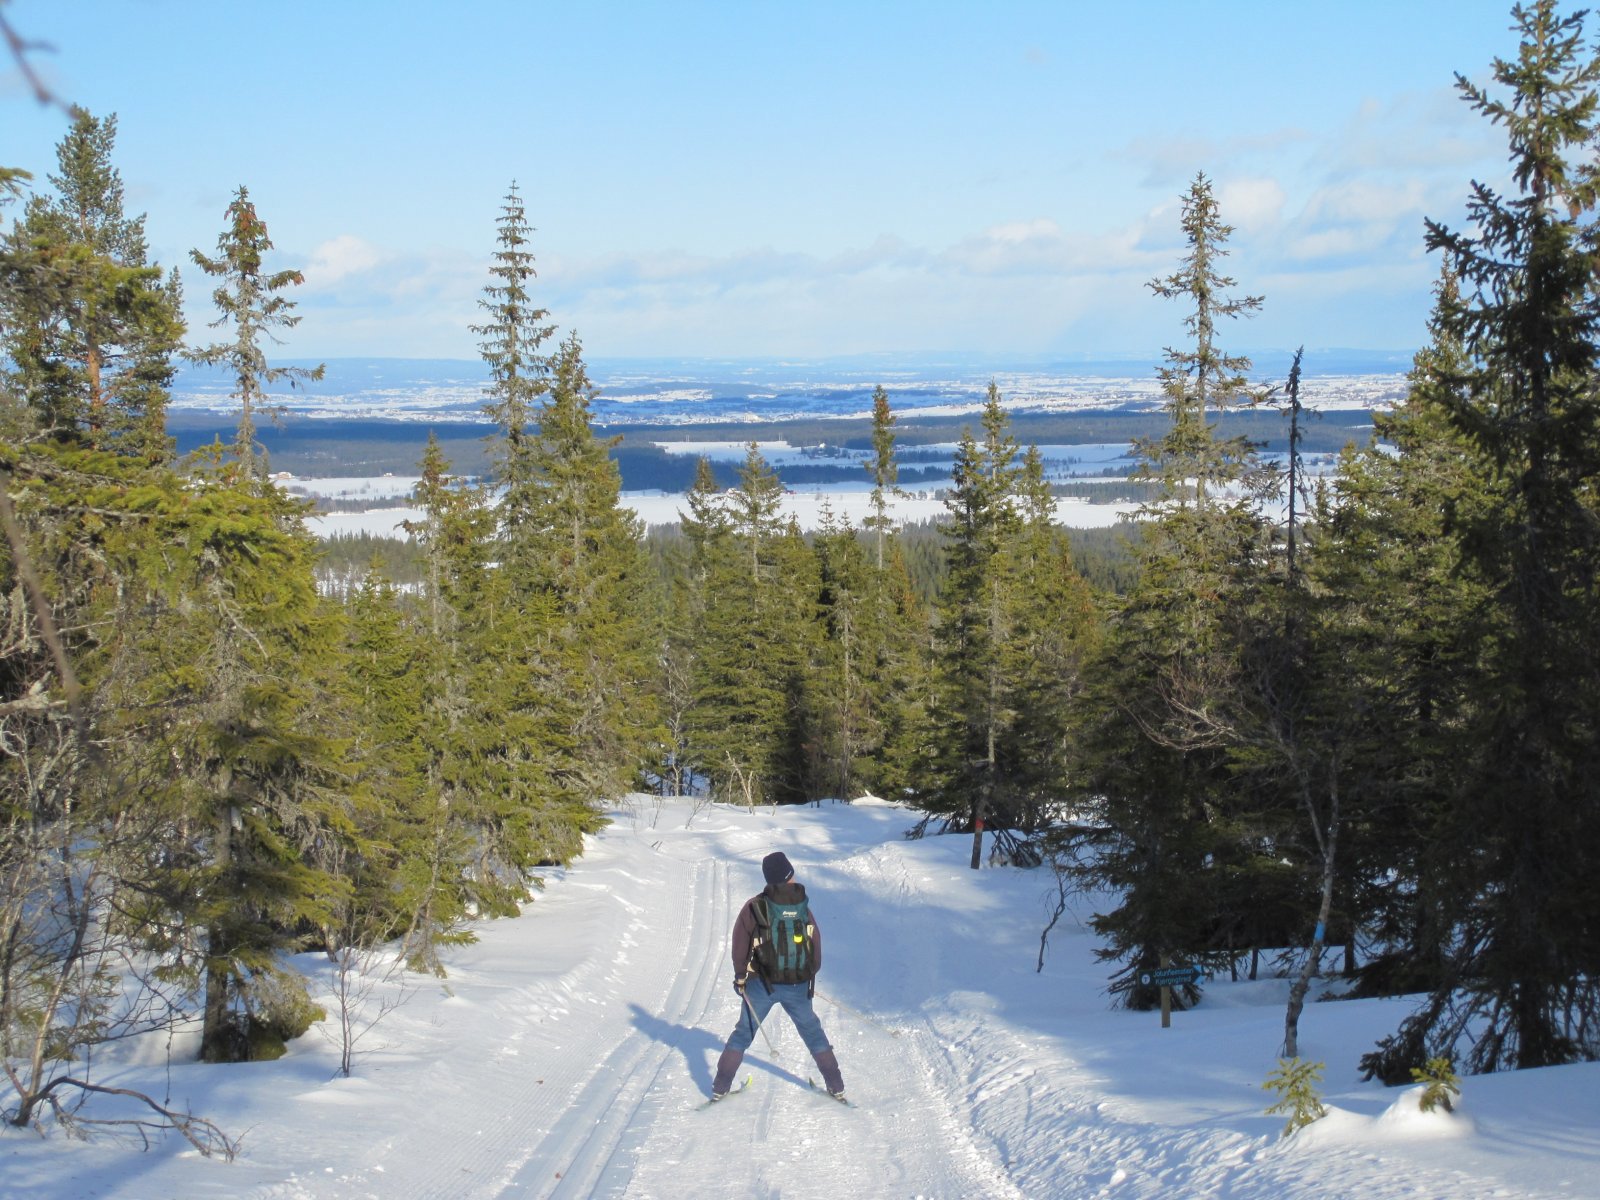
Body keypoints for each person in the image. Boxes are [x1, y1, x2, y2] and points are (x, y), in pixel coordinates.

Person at [710, 850, 846, 1101]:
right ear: (790, 874)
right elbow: (815, 941)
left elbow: (739, 946)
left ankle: (720, 1088)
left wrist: (741, 977)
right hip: (797, 984)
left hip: (761, 984)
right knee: (813, 1032)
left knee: (743, 1033)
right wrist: (809, 973)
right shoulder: (801, 904)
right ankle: (836, 1085)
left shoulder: (754, 906)